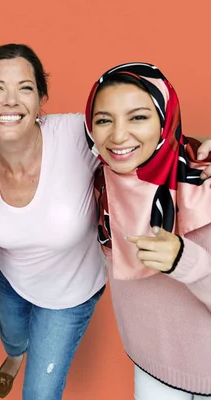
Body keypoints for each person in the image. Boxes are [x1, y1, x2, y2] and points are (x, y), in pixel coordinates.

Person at [0, 44, 211, 400]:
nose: (10, 100)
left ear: (40, 99)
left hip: (70, 294)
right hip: (10, 278)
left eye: (24, 87)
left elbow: (144, 140)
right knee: (14, 333)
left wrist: (203, 146)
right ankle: (15, 354)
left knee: (39, 394)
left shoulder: (77, 135)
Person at [85, 62, 211, 399]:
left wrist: (186, 261)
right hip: (151, 366)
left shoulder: (205, 185)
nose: (118, 134)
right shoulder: (100, 187)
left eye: (138, 117)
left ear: (165, 119)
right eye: (103, 120)